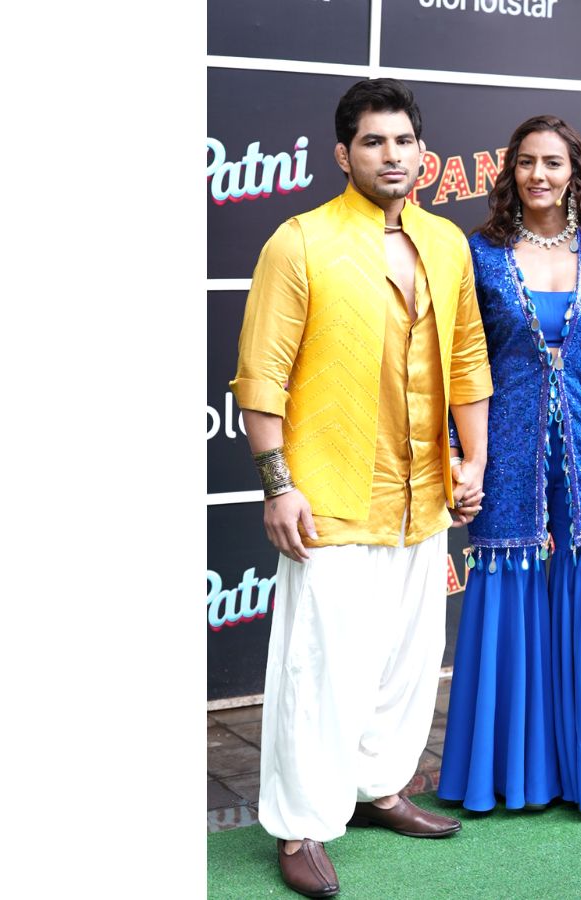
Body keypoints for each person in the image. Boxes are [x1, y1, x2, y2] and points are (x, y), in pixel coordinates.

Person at [230, 78, 492, 898]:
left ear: (424, 152)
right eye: (374, 142)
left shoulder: (446, 243)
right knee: (319, 671)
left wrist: (474, 463)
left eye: (403, 141)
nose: (391, 155)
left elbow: (468, 359)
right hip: (331, 496)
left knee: (406, 660)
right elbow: (261, 376)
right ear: (344, 155)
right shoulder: (300, 242)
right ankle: (301, 825)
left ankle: (380, 788)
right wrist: (278, 485)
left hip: (422, 492)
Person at [438, 115, 581, 821]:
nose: (539, 175)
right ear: (511, 171)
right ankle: (514, 776)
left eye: (553, 163)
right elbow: (459, 363)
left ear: (575, 172)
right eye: (526, 162)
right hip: (506, 455)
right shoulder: (481, 253)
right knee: (510, 595)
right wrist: (459, 457)